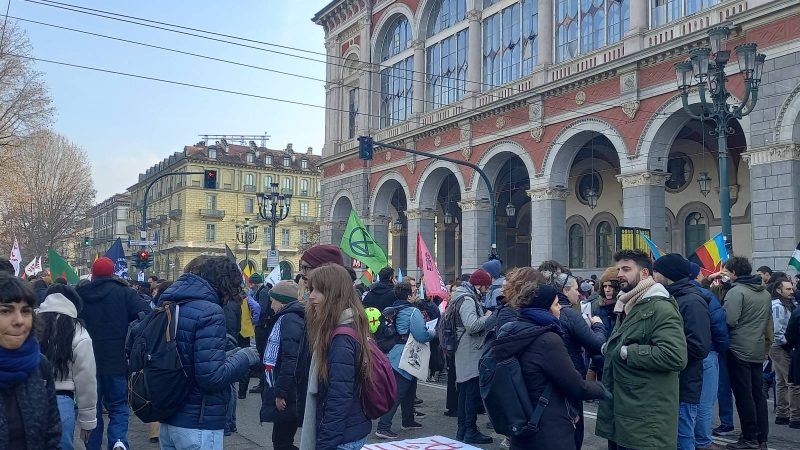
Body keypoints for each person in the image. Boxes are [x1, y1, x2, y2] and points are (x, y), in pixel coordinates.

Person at [155, 256, 260, 449]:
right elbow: (211, 377)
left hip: (169, 417)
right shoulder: (210, 312)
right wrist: (245, 357)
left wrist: (225, 356)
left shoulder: (171, 302)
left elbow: (186, 358)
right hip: (198, 422)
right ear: (224, 285)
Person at [495, 280, 608, 450]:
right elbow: (575, 385)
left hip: (522, 420)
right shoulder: (547, 340)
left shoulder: (513, 331)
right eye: (556, 304)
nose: (559, 309)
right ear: (544, 309)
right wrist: (602, 390)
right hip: (549, 426)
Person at [595, 249, 688, 450]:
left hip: (646, 417)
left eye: (626, 269)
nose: (620, 274)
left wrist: (629, 353)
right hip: (626, 411)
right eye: (619, 269)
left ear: (645, 273)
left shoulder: (661, 307)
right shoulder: (628, 303)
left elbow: (675, 356)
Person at [76, 256, 149, 450]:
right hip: (116, 361)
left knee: (93, 410)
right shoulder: (125, 293)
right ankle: (118, 441)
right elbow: (146, 314)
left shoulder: (79, 293)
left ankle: (92, 446)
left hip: (86, 363)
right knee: (118, 406)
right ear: (112, 273)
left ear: (92, 273)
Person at [299, 264, 372, 450]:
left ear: (334, 295)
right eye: (311, 290)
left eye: (318, 291)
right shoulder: (342, 327)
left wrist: (325, 444)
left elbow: (339, 400)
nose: (311, 296)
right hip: (347, 432)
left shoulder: (340, 340)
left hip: (342, 438)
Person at [652, 254, 712, 450]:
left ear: (667, 274)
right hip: (671, 382)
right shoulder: (672, 297)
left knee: (682, 435)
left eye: (656, 272)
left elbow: (699, 346)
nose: (653, 276)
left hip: (685, 382)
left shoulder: (691, 301)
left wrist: (666, 353)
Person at [0, 273, 61, 449]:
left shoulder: (39, 366)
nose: (19, 321)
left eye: (26, 311)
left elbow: (52, 435)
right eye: (6, 311)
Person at [550, 271, 607, 449]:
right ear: (565, 291)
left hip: (551, 379)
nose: (579, 294)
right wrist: (598, 325)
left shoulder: (548, 312)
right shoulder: (570, 315)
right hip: (572, 375)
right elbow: (596, 344)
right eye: (576, 289)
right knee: (574, 426)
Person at [38, 284, 98, 450]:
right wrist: (88, 420)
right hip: (62, 402)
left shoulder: (29, 323)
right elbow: (86, 380)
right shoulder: (78, 331)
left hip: (30, 396)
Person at [721, 256, 772, 449]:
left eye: (727, 271)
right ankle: (762, 438)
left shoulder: (738, 292)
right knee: (758, 394)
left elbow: (730, 320)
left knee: (744, 395)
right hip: (757, 348)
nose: (725, 274)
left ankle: (749, 437)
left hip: (738, 348)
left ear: (734, 273)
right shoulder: (764, 292)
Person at [375, 280, 435, 439]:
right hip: (405, 355)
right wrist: (433, 333)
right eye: (414, 291)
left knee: (408, 389)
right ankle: (383, 426)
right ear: (409, 295)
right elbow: (421, 334)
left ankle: (408, 420)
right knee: (398, 392)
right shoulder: (412, 312)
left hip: (394, 352)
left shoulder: (393, 308)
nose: (416, 293)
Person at [260, 280, 310, 450]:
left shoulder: (289, 319)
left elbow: (291, 358)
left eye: (272, 301)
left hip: (289, 393)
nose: (271, 305)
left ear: (281, 301)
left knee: (282, 442)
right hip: (287, 390)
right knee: (281, 440)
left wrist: (281, 392)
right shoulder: (287, 317)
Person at [448, 268, 495, 444]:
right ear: (480, 285)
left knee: (465, 392)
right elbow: (472, 326)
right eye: (486, 287)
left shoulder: (460, 295)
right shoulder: (467, 299)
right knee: (470, 392)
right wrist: (490, 316)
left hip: (465, 349)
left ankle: (464, 430)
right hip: (469, 350)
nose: (487, 290)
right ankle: (469, 430)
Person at [688, 263, 730, 450]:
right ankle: (703, 441)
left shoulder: (670, 294)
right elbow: (719, 325)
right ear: (696, 276)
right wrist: (720, 348)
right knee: (705, 401)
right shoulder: (706, 296)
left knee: (686, 401)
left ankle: (688, 438)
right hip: (707, 353)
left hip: (685, 353)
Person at [769, 278, 798, 427]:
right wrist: (787, 344)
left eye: (791, 288)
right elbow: (777, 330)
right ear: (779, 291)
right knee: (791, 380)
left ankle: (782, 414)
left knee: (781, 381)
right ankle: (794, 416)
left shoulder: (787, 304)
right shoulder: (778, 306)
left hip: (780, 345)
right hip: (779, 346)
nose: (791, 291)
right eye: (788, 289)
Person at [249, 272, 273, 395]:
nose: (251, 286)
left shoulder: (262, 292)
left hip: (262, 327)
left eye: (251, 284)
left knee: (263, 355)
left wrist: (254, 317)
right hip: (263, 326)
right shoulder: (263, 290)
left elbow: (261, 309)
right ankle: (262, 383)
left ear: (255, 283)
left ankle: (262, 383)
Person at [784, 302, 800, 428]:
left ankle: (795, 417)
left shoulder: (797, 312)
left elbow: (789, 334)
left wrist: (793, 345)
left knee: (796, 384)